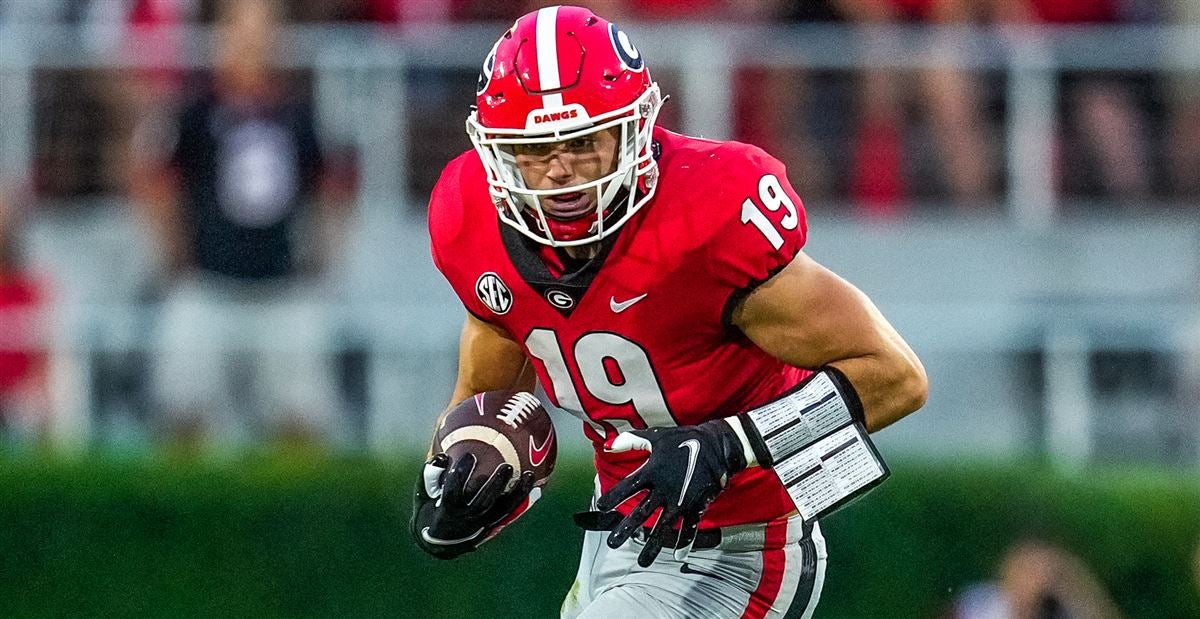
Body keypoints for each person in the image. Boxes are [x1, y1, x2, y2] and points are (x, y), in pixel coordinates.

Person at [413, 6, 928, 619]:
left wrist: (726, 445)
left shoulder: (707, 216)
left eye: (582, 142)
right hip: (618, 529)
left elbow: (898, 376)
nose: (557, 172)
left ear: (631, 132)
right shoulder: (470, 216)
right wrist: (451, 475)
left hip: (744, 543)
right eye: (533, 149)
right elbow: (488, 381)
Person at [133, 0, 346, 445]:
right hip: (209, 281)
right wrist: (173, 253)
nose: (254, 40)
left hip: (282, 285)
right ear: (223, 35)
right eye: (243, 28)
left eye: (264, 28)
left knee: (303, 416)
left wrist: (325, 251)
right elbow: (156, 178)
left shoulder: (299, 112)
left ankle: (294, 507)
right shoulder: (194, 109)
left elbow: (334, 182)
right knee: (181, 408)